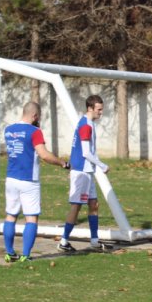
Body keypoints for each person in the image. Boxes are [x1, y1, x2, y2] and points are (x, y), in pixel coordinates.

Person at [3, 102, 67, 262]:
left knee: (11, 216)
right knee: (31, 218)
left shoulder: (8, 130)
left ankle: (9, 253)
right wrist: (62, 163)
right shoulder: (34, 131)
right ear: (35, 116)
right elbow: (44, 155)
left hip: (11, 178)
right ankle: (25, 255)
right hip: (28, 180)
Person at [58, 95, 109, 253]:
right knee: (76, 206)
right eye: (99, 109)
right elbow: (86, 152)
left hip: (87, 171)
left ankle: (94, 241)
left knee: (94, 204)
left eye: (102, 109)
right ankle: (63, 241)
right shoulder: (86, 125)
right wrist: (102, 165)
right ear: (90, 108)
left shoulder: (87, 123)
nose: (101, 112)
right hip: (81, 172)